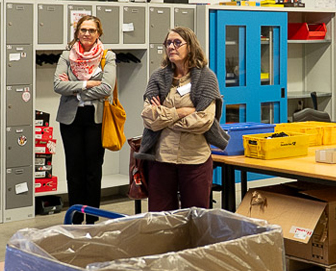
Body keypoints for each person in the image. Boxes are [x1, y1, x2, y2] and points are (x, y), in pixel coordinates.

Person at [137, 27, 228, 211]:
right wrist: (182, 112)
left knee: (196, 216)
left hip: (195, 159)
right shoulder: (158, 77)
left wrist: (164, 115)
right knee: (160, 217)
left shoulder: (206, 78)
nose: (171, 47)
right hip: (162, 158)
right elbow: (148, 117)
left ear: (191, 47)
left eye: (177, 42)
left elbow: (203, 120)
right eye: (168, 43)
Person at [54, 15, 117, 224]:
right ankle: (75, 216)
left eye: (91, 30)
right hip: (70, 119)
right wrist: (87, 85)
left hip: (96, 118)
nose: (87, 34)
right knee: (74, 169)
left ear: (98, 33)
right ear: (77, 33)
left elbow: (107, 87)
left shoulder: (107, 56)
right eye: (83, 30)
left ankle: (92, 217)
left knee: (93, 169)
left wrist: (77, 92)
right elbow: (58, 85)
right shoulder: (66, 56)